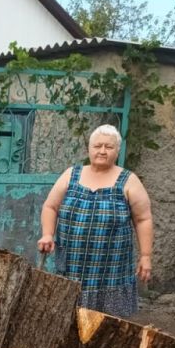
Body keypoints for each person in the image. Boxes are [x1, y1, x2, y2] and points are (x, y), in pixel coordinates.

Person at [37, 124, 153, 317]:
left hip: (111, 271)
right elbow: (50, 207)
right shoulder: (71, 175)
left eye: (109, 147)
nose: (102, 151)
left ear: (117, 151)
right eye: (97, 146)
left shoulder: (128, 180)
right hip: (72, 266)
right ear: (89, 149)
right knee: (66, 322)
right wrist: (47, 234)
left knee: (107, 327)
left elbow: (143, 219)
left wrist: (146, 256)